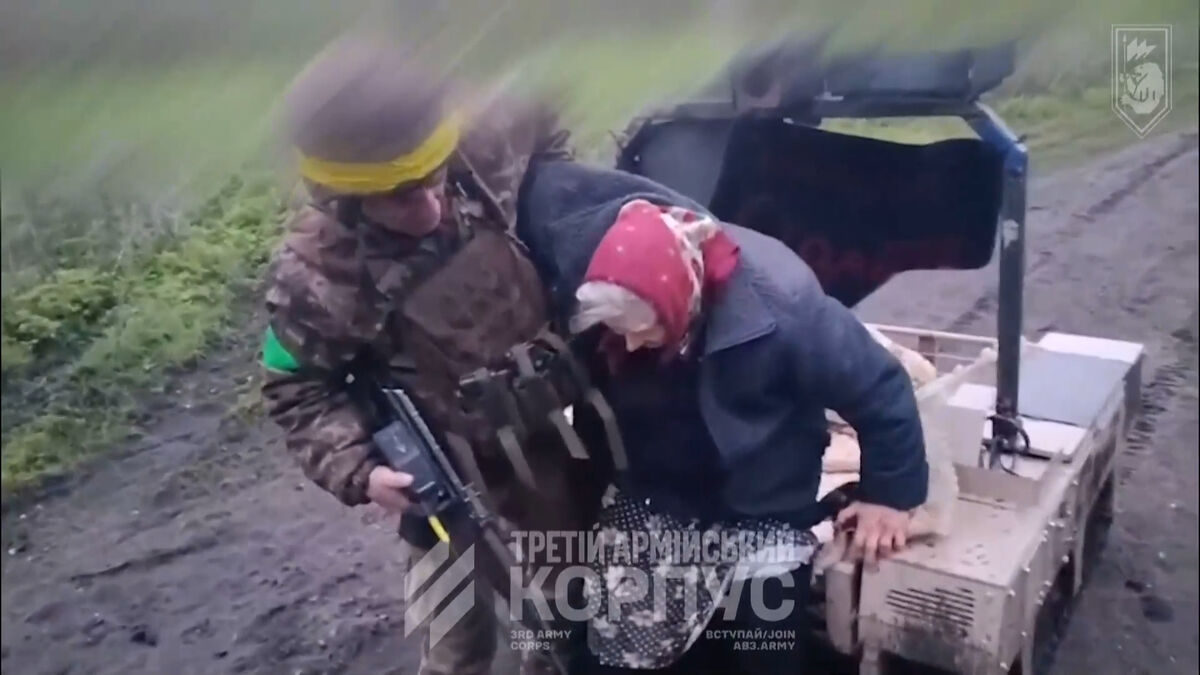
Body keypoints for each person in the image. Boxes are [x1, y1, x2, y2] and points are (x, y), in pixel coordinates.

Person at [259, 39, 601, 675]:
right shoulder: (316, 277)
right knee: (455, 645)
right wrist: (361, 471)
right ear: (342, 197)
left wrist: (555, 215)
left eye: (432, 180)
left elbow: (540, 120)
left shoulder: (477, 139)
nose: (429, 209)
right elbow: (295, 389)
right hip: (447, 482)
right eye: (397, 197)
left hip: (550, 442)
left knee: (565, 620)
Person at [515, 159, 929, 674]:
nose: (630, 343)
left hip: (764, 498)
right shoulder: (599, 267)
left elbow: (880, 387)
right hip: (659, 493)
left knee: (764, 652)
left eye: (644, 329)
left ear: (681, 303)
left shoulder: (785, 309)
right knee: (615, 652)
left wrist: (889, 496)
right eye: (619, 330)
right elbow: (537, 190)